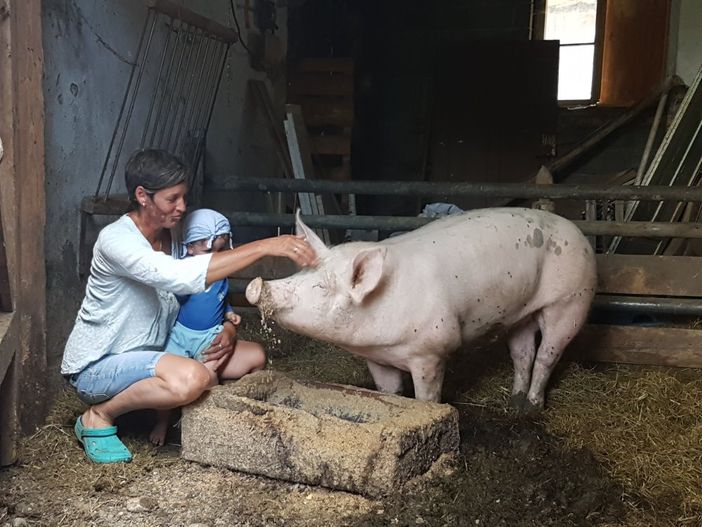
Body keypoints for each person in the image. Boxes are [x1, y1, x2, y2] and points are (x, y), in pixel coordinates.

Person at [61, 149, 316, 464]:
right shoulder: (116, 241)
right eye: (172, 199)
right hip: (100, 367)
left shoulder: (180, 234)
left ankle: (194, 410)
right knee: (193, 378)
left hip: (159, 352)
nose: (182, 207)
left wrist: (227, 328)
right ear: (142, 196)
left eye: (184, 197)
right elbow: (179, 277)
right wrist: (265, 246)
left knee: (252, 357)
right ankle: (99, 414)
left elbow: (205, 291)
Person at [149, 208, 262, 446]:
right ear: (189, 247)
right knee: (167, 383)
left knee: (210, 377)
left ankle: (214, 423)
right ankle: (163, 421)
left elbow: (222, 298)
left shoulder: (221, 275)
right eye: (209, 250)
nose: (216, 258)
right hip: (179, 337)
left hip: (209, 337)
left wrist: (229, 316)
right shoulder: (182, 273)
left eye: (221, 251)